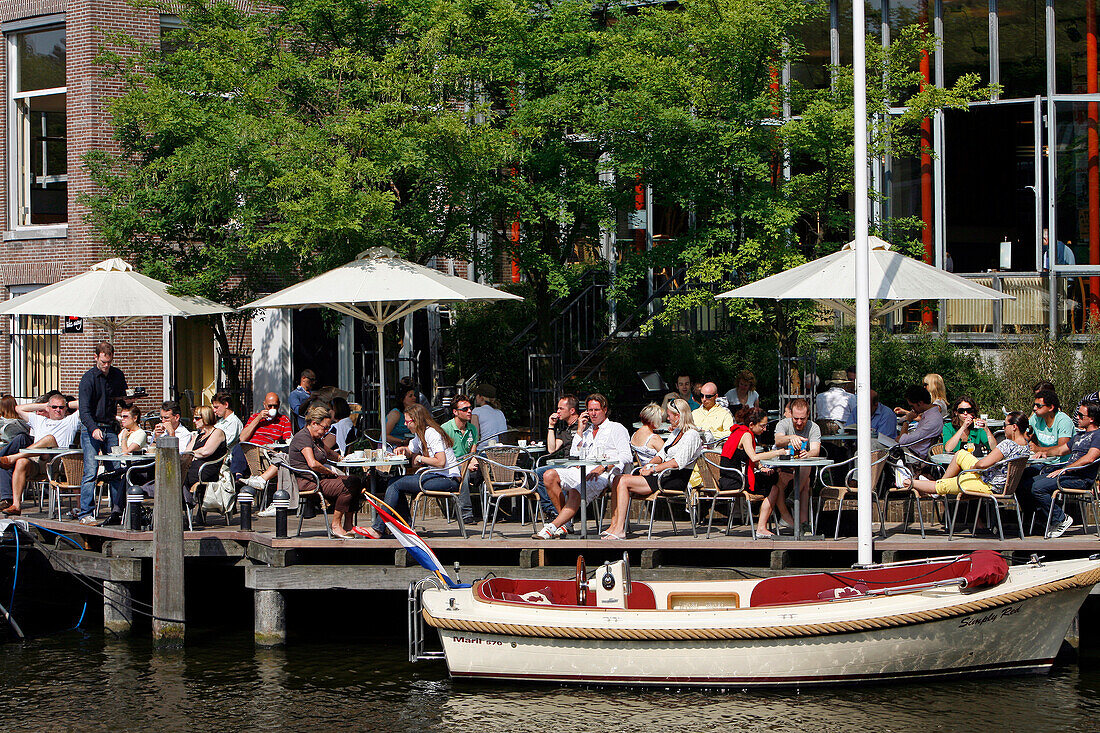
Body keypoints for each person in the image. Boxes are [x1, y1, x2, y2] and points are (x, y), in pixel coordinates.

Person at [532, 394, 632, 539]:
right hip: (581, 470)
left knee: (575, 491)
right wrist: (579, 429)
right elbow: (575, 454)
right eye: (590, 410)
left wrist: (604, 467)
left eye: (596, 410)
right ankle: (564, 525)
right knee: (548, 475)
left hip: (603, 473)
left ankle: (552, 527)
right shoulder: (587, 431)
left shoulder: (616, 428)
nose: (593, 413)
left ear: (604, 409)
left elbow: (626, 456)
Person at [602, 399, 703, 540]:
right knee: (617, 479)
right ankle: (614, 525)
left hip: (675, 478)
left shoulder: (692, 435)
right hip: (664, 475)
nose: (667, 419)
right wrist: (648, 465)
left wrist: (653, 469)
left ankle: (620, 529)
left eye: (669, 415)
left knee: (624, 481)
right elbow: (661, 455)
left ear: (678, 416)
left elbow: (677, 462)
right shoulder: (677, 432)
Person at [361, 404, 459, 539]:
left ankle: (379, 528)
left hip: (447, 480)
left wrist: (421, 458)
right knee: (394, 483)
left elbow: (440, 462)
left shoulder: (431, 433)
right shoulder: (421, 434)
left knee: (395, 484)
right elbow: (410, 450)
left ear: (416, 420)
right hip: (435, 476)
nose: (406, 425)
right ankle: (405, 527)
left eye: (408, 422)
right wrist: (403, 450)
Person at [899, 411, 1031, 504]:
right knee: (961, 454)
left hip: (988, 484)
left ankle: (907, 482)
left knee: (946, 484)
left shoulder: (1007, 444)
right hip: (1001, 484)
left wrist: (974, 468)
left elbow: (983, 464)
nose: (1003, 428)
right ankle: (940, 486)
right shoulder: (1026, 446)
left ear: (1014, 427)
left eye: (1005, 425)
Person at [77, 342, 133, 524]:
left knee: (116, 471)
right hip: (91, 428)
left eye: (109, 362)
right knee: (91, 471)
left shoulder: (117, 375)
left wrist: (129, 401)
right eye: (103, 362)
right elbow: (84, 411)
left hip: (110, 427)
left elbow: (123, 403)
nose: (106, 366)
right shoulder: (88, 379)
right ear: (96, 358)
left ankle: (118, 512)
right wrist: (93, 429)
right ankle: (85, 513)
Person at [287, 405, 363, 539]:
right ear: (314, 423)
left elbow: (327, 452)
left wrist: (341, 458)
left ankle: (348, 525)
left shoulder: (315, 439)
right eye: (325, 427)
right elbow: (313, 463)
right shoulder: (303, 437)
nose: (326, 431)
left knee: (356, 481)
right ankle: (336, 525)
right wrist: (329, 472)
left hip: (319, 479)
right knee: (348, 485)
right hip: (309, 482)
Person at [2, 393, 81, 518]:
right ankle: (16, 505)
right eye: (54, 407)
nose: (58, 410)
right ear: (48, 408)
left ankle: (12, 457)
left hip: (57, 462)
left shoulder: (70, 421)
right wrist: (44, 405)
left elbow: (86, 404)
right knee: (22, 462)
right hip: (38, 461)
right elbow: (18, 409)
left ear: (65, 409)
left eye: (61, 407)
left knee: (49, 439)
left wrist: (67, 404)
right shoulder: (39, 420)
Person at [1030, 401, 1100, 538]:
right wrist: (1042, 451)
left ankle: (1061, 519)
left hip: (1080, 479)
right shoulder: (1079, 435)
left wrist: (1065, 469)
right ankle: (1042, 521)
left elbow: (1090, 458)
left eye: (1080, 415)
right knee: (1027, 482)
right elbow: (1061, 450)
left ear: (1091, 418)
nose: (1077, 418)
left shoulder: (1098, 436)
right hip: (1066, 474)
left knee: (1037, 487)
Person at [719, 407, 788, 538]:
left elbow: (748, 457)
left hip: (727, 478)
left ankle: (764, 518)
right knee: (773, 485)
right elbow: (754, 457)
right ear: (751, 424)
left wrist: (761, 468)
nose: (765, 429)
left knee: (770, 477)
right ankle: (762, 526)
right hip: (734, 481)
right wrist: (778, 452)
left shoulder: (739, 431)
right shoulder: (746, 435)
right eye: (762, 426)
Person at [234, 393, 295, 510]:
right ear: (264, 405)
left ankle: (251, 480)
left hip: (267, 452)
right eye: (269, 406)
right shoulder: (255, 417)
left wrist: (276, 447)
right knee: (239, 446)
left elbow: (288, 441)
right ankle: (238, 478)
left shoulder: (283, 420)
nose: (272, 409)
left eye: (275, 406)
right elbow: (243, 438)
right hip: (250, 450)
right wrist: (258, 419)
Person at [770, 398, 822, 534]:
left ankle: (799, 513)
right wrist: (791, 437)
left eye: (802, 419)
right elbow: (778, 440)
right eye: (796, 419)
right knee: (802, 482)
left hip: (800, 467)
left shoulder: (814, 427)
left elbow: (816, 450)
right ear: (791, 415)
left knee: (805, 469)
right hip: (781, 466)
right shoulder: (784, 424)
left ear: (808, 414)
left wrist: (808, 454)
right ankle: (801, 520)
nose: (799, 422)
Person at [533, 394, 581, 523]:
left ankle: (554, 511)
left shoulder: (583, 425)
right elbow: (552, 449)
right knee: (537, 472)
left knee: (540, 472)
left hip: (577, 464)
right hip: (565, 464)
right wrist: (551, 426)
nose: (557, 411)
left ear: (572, 411)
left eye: (561, 408)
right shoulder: (564, 429)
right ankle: (553, 511)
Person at [441, 393, 480, 525]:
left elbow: (472, 452)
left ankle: (493, 511)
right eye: (465, 409)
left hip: (467, 462)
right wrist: (465, 464)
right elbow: (444, 457)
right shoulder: (445, 429)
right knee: (464, 473)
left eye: (470, 408)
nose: (469, 411)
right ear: (455, 412)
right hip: (450, 465)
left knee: (488, 470)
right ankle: (466, 514)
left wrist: (473, 460)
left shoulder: (472, 429)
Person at [183, 406, 228, 509]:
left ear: (206, 417)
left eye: (197, 418)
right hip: (194, 467)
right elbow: (186, 453)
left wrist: (193, 454)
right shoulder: (198, 436)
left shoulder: (217, 432)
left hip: (207, 470)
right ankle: (185, 505)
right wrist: (194, 454)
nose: (194, 421)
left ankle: (187, 505)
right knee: (177, 475)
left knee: (181, 476)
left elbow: (206, 451)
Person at [897, 385, 944, 459]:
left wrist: (907, 421)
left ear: (920, 403)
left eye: (912, 406)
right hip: (909, 451)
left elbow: (902, 441)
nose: (912, 409)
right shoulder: (929, 415)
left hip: (913, 457)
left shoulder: (933, 420)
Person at [0, 396, 30, 513]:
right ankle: (6, 500)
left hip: (23, 451)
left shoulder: (24, 420)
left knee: (20, 438)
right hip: (10, 456)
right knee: (4, 464)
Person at [1029, 388, 1074, 460]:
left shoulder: (1063, 421)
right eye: (1034, 405)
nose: (1034, 408)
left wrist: (1039, 449)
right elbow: (1025, 433)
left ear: (1050, 407)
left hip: (1060, 465)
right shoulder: (1035, 418)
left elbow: (1062, 448)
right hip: (1042, 462)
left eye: (1038, 406)